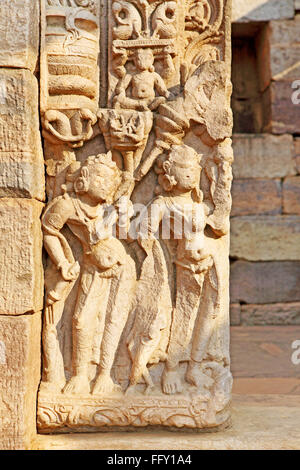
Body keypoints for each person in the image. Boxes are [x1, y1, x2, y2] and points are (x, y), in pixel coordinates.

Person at [42, 153, 136, 394]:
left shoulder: (109, 206)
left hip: (120, 267)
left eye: (111, 181)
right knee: (82, 320)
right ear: (83, 179)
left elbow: (129, 235)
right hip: (92, 266)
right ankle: (80, 375)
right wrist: (62, 261)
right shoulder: (67, 205)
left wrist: (124, 213)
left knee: (114, 320)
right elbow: (49, 230)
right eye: (101, 178)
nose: (107, 184)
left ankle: (105, 375)